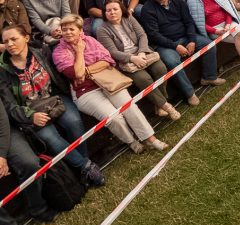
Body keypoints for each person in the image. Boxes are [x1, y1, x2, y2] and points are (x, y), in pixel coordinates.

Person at [0, 25, 106, 188]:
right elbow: (9, 105)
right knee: (50, 138)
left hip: (55, 97)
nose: (10, 44)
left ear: (26, 38)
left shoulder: (41, 51)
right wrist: (30, 116)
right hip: (31, 111)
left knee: (74, 122)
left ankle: (84, 168)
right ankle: (86, 167)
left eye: (14, 39)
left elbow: (58, 74)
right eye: (6, 41)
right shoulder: (3, 70)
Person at [52, 15, 167, 154]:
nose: (68, 32)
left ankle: (151, 139)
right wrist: (80, 52)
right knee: (113, 118)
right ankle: (131, 141)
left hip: (108, 80)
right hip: (85, 91)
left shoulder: (90, 40)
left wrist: (86, 71)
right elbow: (76, 74)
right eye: (64, 29)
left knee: (129, 106)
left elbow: (106, 61)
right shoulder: (59, 52)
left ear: (80, 30)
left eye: (71, 29)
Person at [139, 0, 222, 104]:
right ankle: (189, 93)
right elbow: (154, 35)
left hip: (184, 37)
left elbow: (188, 21)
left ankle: (209, 77)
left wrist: (192, 40)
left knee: (209, 45)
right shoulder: (147, 9)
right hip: (164, 44)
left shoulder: (177, 0)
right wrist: (175, 46)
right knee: (172, 63)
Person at [96, 0, 180, 120]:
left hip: (143, 52)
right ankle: (166, 106)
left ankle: (159, 104)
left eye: (115, 9)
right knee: (144, 79)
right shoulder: (102, 29)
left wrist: (141, 52)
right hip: (126, 60)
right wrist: (132, 58)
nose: (112, 12)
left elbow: (142, 35)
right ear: (105, 13)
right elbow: (112, 52)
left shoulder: (129, 18)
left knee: (160, 69)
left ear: (121, 10)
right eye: (108, 10)